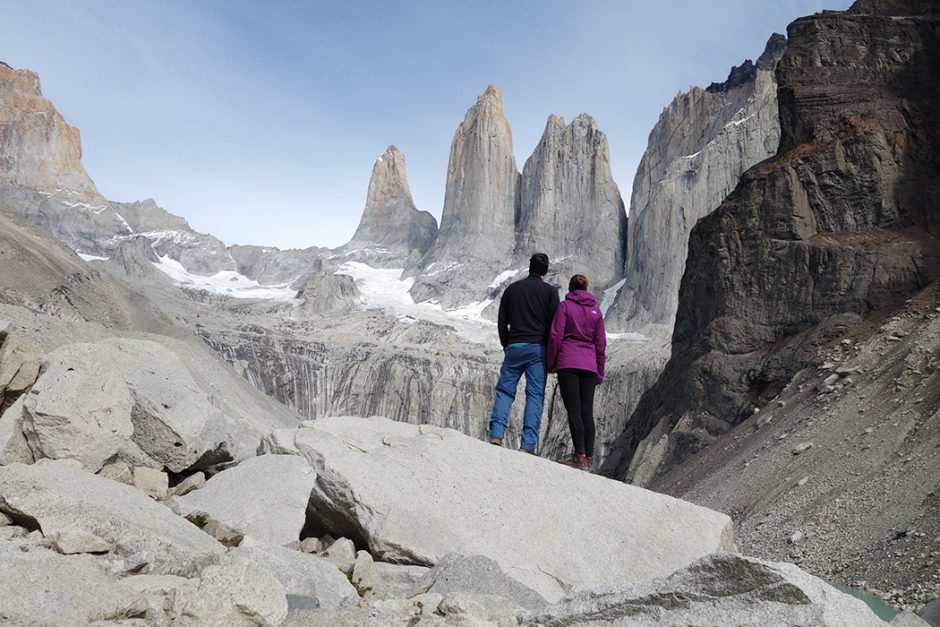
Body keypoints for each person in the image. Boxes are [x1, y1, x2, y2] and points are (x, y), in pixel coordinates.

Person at [488, 252, 559, 454]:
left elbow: (502, 321)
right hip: (538, 350)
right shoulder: (550, 293)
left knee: (505, 390)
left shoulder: (512, 289)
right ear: (545, 271)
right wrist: (551, 353)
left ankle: (496, 434)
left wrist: (506, 344)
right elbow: (555, 327)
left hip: (514, 347)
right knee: (535, 395)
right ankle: (527, 445)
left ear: (529, 268)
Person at [547, 274, 606, 471]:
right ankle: (589, 458)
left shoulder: (565, 307)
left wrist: (551, 362)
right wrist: (600, 371)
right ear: (587, 289)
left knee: (574, 410)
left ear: (571, 289)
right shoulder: (596, 312)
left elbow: (556, 335)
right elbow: (600, 345)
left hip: (568, 363)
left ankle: (579, 456)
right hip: (589, 366)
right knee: (587, 412)